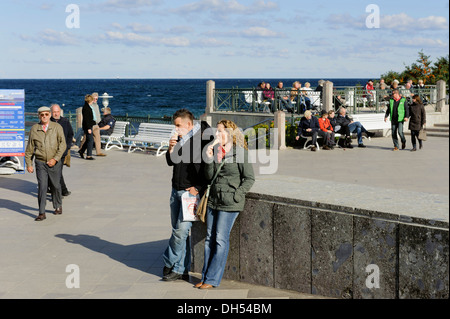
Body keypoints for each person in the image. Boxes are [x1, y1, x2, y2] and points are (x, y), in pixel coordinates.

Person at [195, 119, 255, 289]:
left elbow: (249, 178)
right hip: (214, 200)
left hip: (230, 202)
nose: (217, 134)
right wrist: (207, 158)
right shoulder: (216, 151)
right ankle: (205, 275)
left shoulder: (240, 153)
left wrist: (237, 194)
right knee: (209, 239)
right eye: (216, 131)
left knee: (220, 239)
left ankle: (212, 279)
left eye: (220, 131)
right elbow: (209, 177)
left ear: (229, 134)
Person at [163, 109, 213, 281]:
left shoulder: (203, 138)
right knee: (178, 231)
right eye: (174, 125)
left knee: (181, 232)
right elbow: (171, 162)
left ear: (189, 125)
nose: (175, 129)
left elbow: (209, 168)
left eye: (178, 126)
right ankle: (180, 269)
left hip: (190, 193)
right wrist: (170, 149)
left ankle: (168, 261)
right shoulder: (180, 138)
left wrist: (198, 187)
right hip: (175, 190)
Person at [25, 106, 66, 221]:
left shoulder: (57, 127)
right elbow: (30, 148)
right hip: (40, 162)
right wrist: (29, 164)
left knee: (55, 185)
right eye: (42, 115)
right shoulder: (34, 129)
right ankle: (41, 212)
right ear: (39, 116)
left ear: (50, 115)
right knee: (42, 187)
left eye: (46, 114)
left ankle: (58, 205)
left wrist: (55, 159)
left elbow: (63, 144)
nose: (44, 117)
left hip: (54, 162)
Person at [50, 104, 74, 197]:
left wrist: (67, 146)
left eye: (57, 112)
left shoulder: (65, 121)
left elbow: (70, 134)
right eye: (54, 112)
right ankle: (61, 190)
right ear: (51, 112)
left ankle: (62, 191)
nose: (56, 114)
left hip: (62, 151)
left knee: (58, 171)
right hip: (50, 151)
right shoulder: (48, 121)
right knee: (54, 171)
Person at [79, 93, 107, 157]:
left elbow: (97, 114)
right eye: (94, 99)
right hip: (90, 125)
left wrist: (99, 122)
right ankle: (81, 150)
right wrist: (88, 127)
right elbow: (87, 117)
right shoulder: (89, 106)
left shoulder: (96, 105)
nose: (95, 100)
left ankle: (98, 152)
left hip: (96, 124)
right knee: (86, 139)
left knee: (97, 138)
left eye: (97, 99)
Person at [78, 94, 96, 160]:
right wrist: (88, 128)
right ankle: (89, 155)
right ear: (90, 101)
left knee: (88, 139)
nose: (93, 101)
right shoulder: (86, 108)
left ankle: (81, 151)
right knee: (90, 140)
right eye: (92, 100)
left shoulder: (87, 107)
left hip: (88, 126)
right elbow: (86, 119)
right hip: (87, 126)